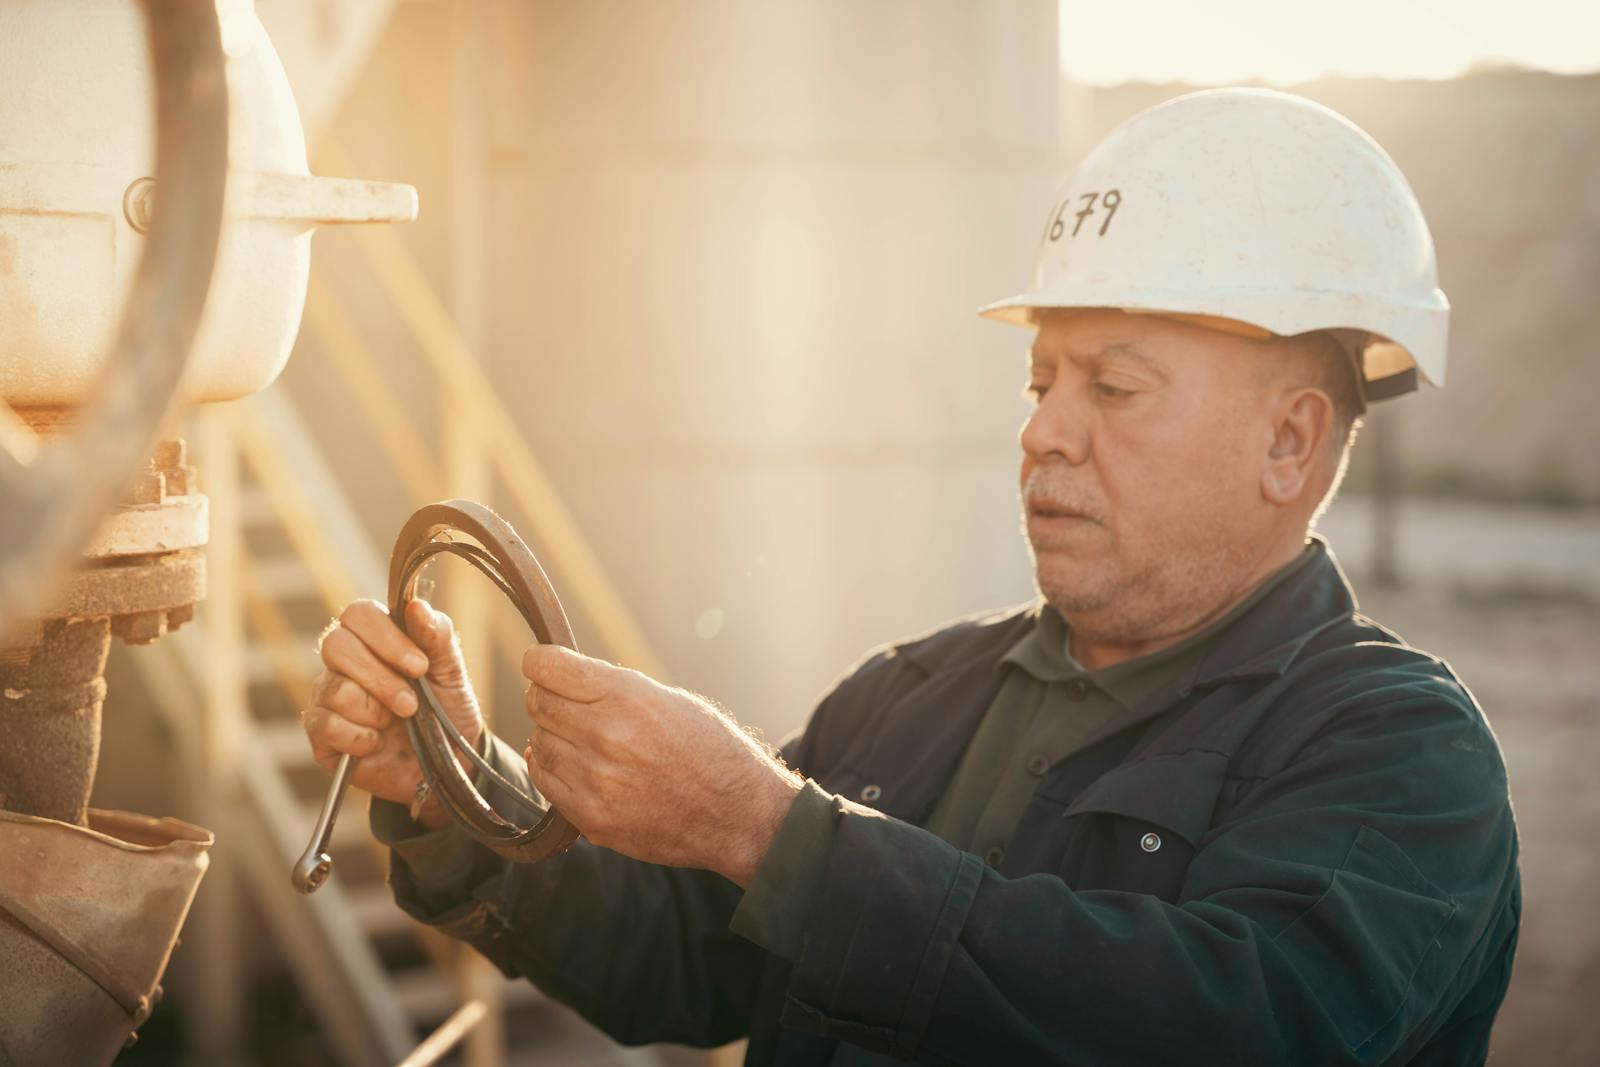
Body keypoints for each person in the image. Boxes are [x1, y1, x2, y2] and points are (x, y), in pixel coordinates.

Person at [302, 89, 1519, 1065]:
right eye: (1041, 380)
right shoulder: (913, 691)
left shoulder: (1396, 752)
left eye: (1115, 384)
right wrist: (457, 783)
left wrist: (768, 828)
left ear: (1289, 441)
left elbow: (1223, 1027)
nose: (1045, 429)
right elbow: (678, 956)